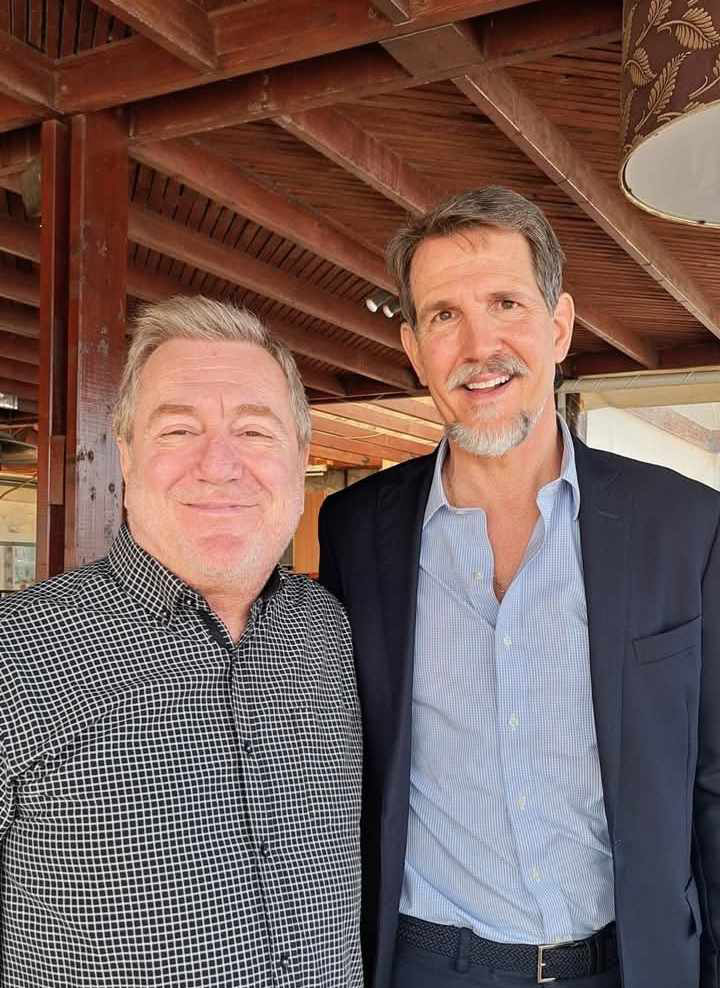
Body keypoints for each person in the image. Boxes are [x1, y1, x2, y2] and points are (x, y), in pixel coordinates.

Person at [318, 188, 720, 988]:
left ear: (559, 325)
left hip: (630, 964)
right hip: (427, 965)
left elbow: (714, 782)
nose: (480, 346)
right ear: (414, 348)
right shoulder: (356, 530)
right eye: (445, 316)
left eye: (506, 303)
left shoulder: (685, 525)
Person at [0, 296, 362, 987]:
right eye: (177, 430)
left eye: (253, 431)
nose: (218, 465)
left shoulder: (329, 630)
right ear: (126, 457)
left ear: (302, 457)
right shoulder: (16, 650)